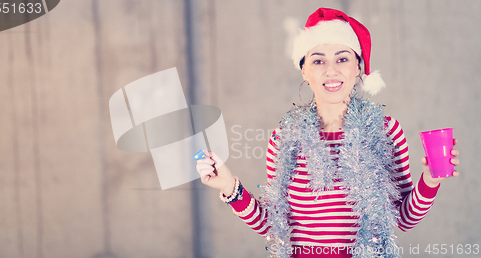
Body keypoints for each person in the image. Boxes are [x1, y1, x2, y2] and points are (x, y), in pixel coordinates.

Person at [196, 8, 460, 258]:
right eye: (318, 60)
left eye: (342, 59)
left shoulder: (385, 131)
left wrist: (430, 180)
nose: (331, 70)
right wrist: (230, 187)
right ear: (304, 70)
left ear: (358, 67)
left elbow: (403, 220)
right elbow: (273, 224)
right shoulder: (284, 138)